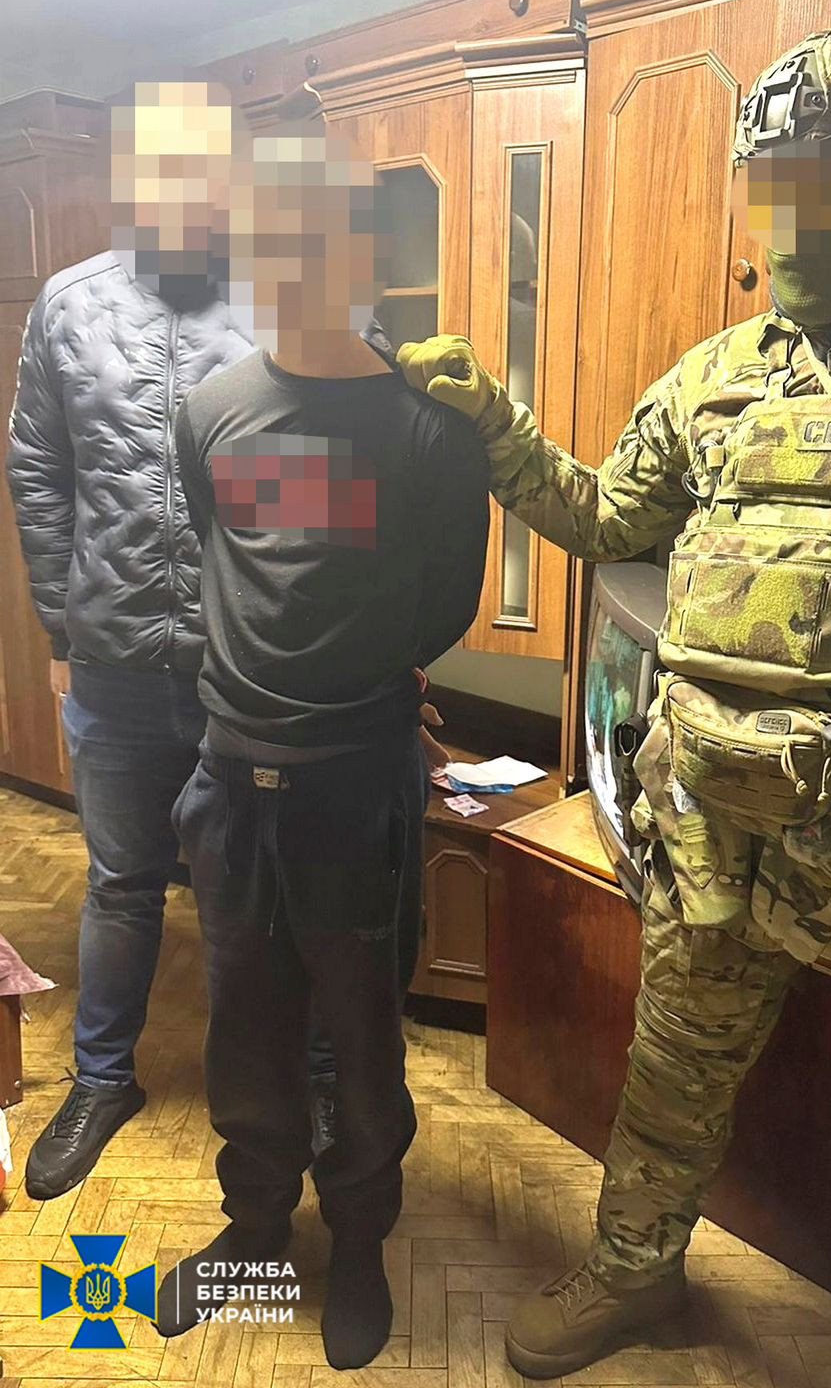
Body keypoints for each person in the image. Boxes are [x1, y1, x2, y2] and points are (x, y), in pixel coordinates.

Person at [398, 24, 831, 1388]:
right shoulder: (714, 377)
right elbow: (607, 519)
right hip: (711, 834)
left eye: (830, 186)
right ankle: (633, 1270)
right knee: (669, 1076)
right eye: (774, 188)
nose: (792, 224)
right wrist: (494, 428)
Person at [154, 130, 488, 1369]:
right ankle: (254, 1227)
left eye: (316, 241)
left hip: (357, 787)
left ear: (360, 257)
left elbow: (446, 602)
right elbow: (224, 556)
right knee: (244, 1024)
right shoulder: (209, 412)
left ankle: (356, 1239)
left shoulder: (429, 428)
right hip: (229, 782)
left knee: (357, 1034)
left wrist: (352, 683)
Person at [6, 81, 254, 1198]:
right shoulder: (67, 305)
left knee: (252, 891)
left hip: (244, 666)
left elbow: (343, 480)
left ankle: (273, 1088)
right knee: (120, 883)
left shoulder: (286, 299)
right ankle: (102, 1078)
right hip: (110, 662)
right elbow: (39, 471)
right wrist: (62, 622)